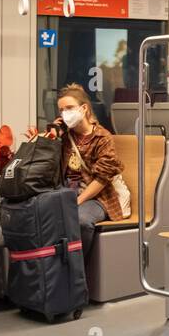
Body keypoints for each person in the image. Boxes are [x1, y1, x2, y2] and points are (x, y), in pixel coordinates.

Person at [26, 83, 130, 255]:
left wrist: (77, 202)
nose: (65, 113)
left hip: (98, 197)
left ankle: (79, 269)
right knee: (35, 212)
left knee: (80, 220)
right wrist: (48, 140)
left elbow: (102, 180)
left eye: (69, 108)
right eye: (61, 110)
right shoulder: (65, 136)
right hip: (67, 192)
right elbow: (47, 167)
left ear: (83, 109)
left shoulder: (102, 138)